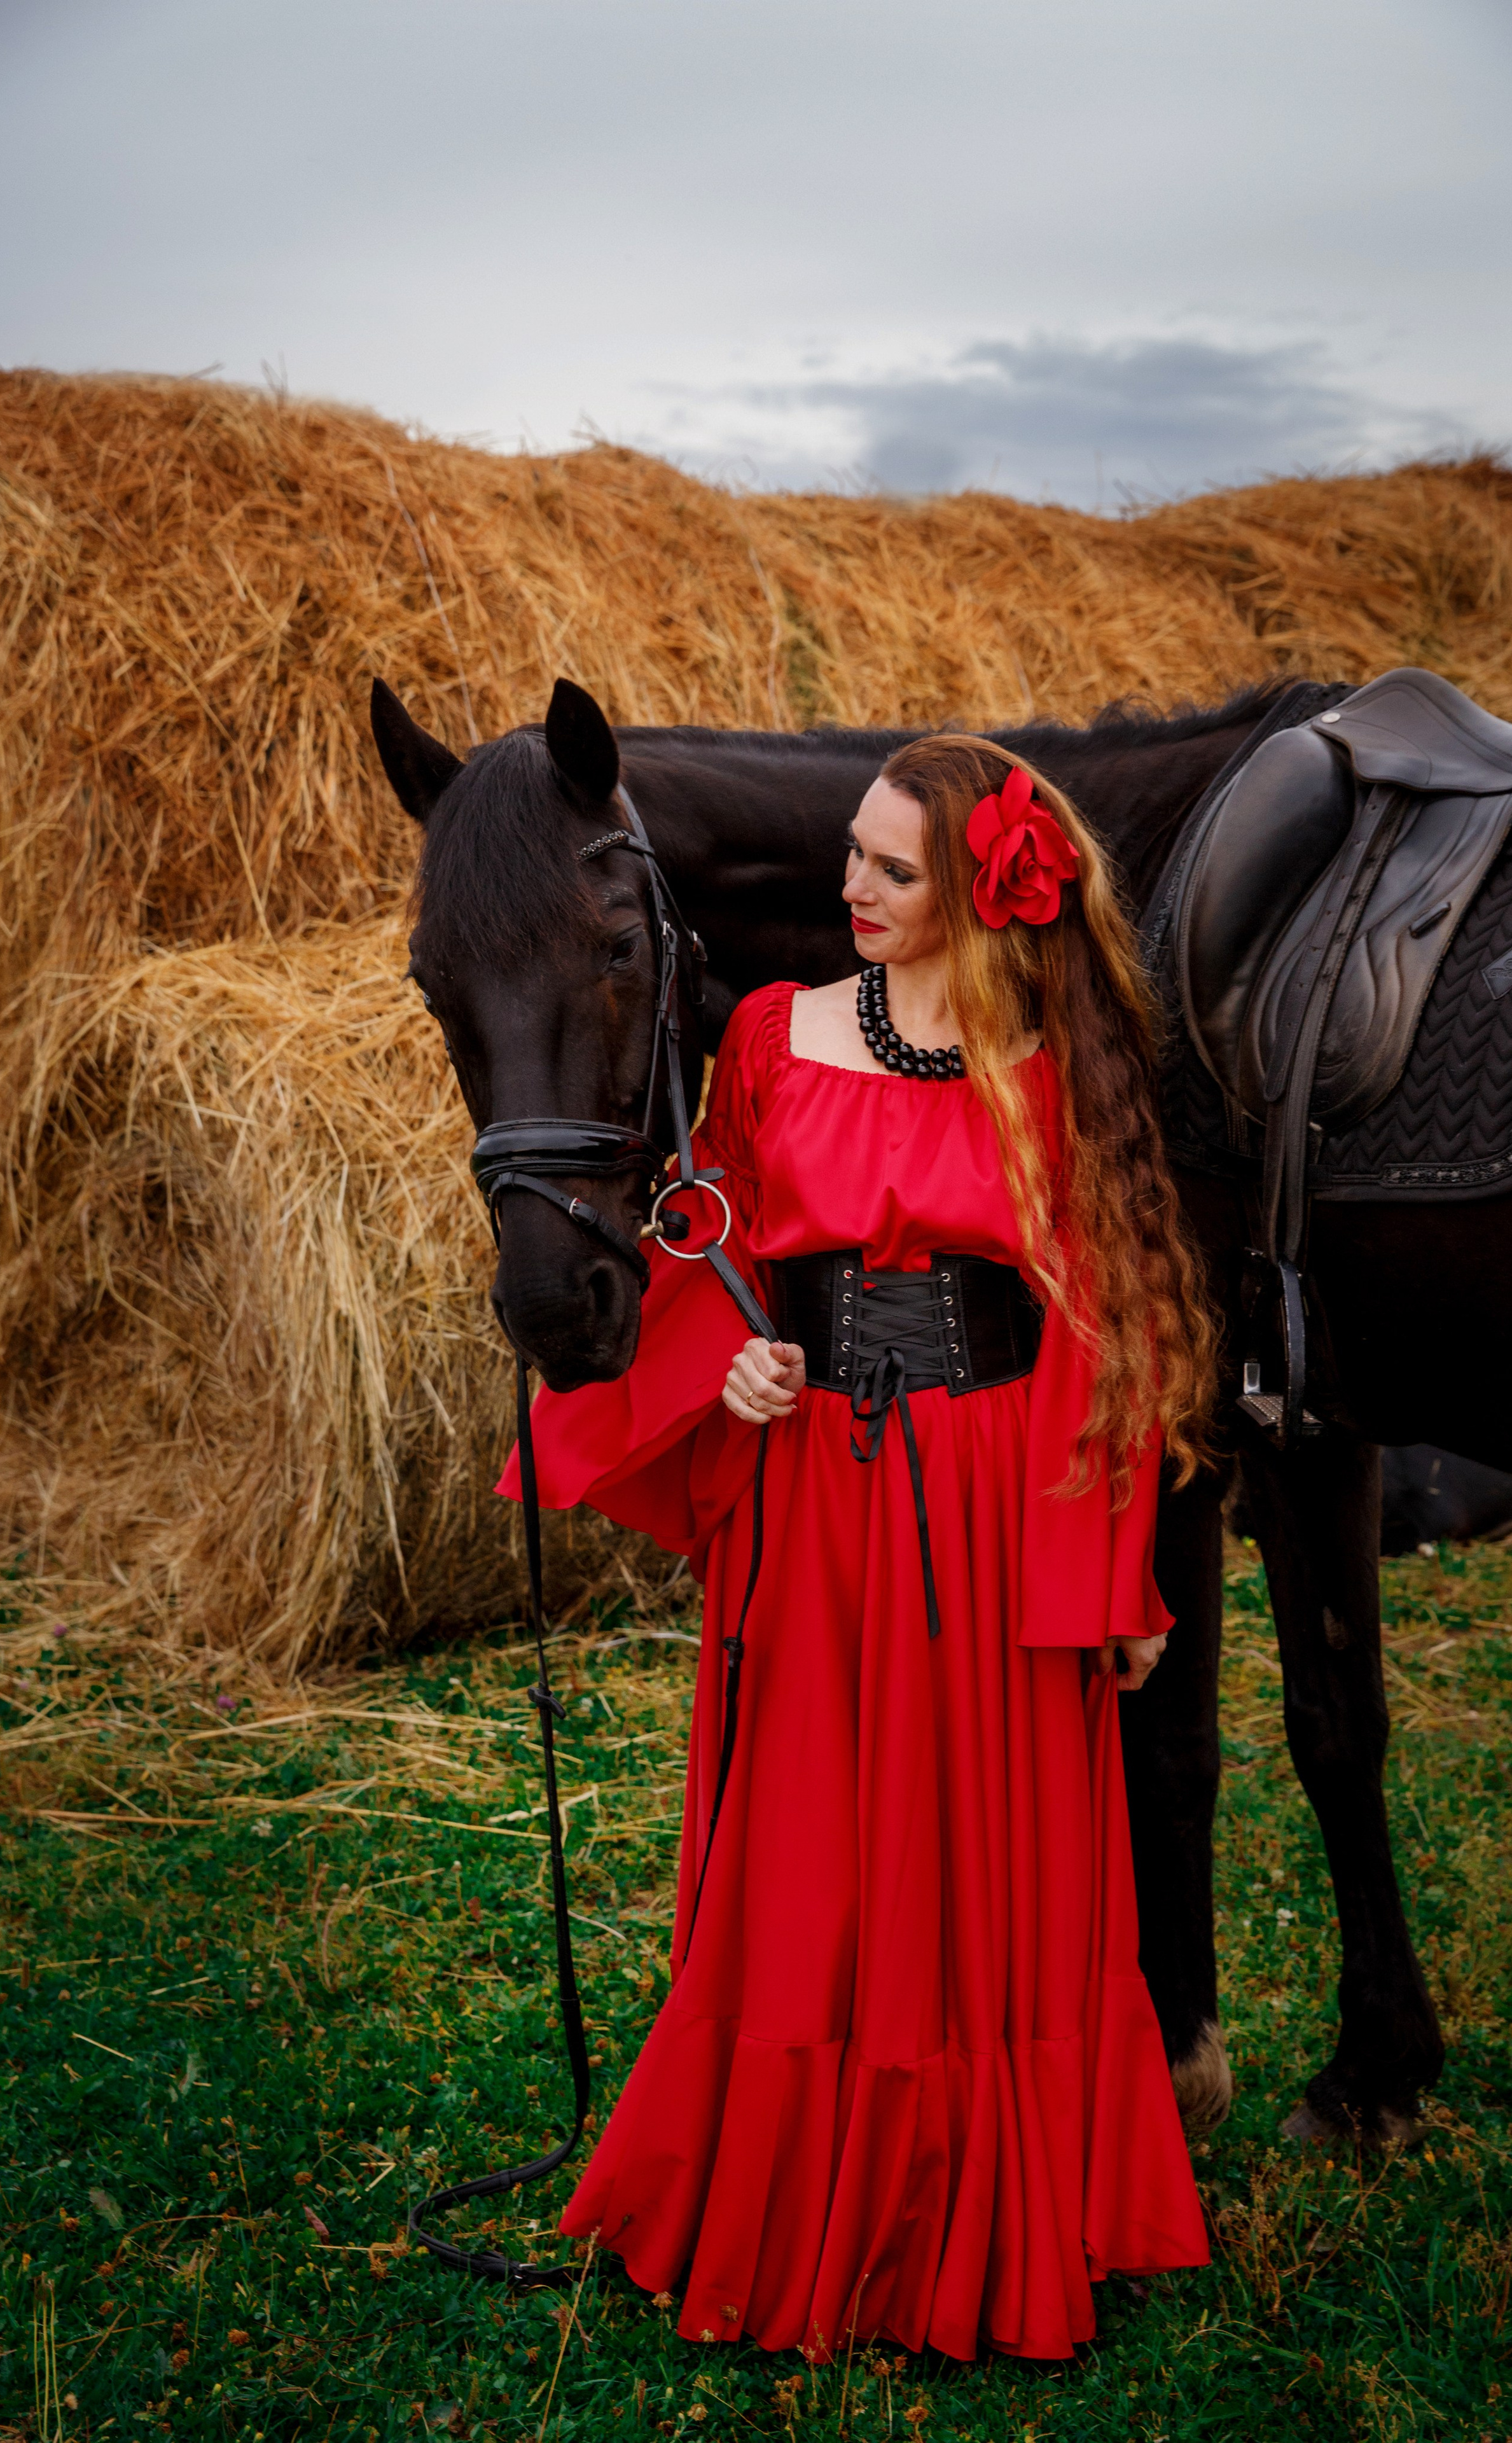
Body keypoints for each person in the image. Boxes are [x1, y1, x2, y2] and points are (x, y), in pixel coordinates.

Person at [504, 735, 1216, 2362]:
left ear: (976, 889)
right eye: (850, 855)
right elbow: (713, 1239)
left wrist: (1108, 1576)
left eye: (892, 870)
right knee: (818, 1857)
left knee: (984, 1869)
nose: (851, 889)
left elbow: (1102, 1334)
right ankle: (790, 2201)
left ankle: (990, 2213)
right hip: (813, 1496)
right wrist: (734, 1359)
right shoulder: (769, 1035)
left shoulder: (1051, 1067)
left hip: (987, 1503)